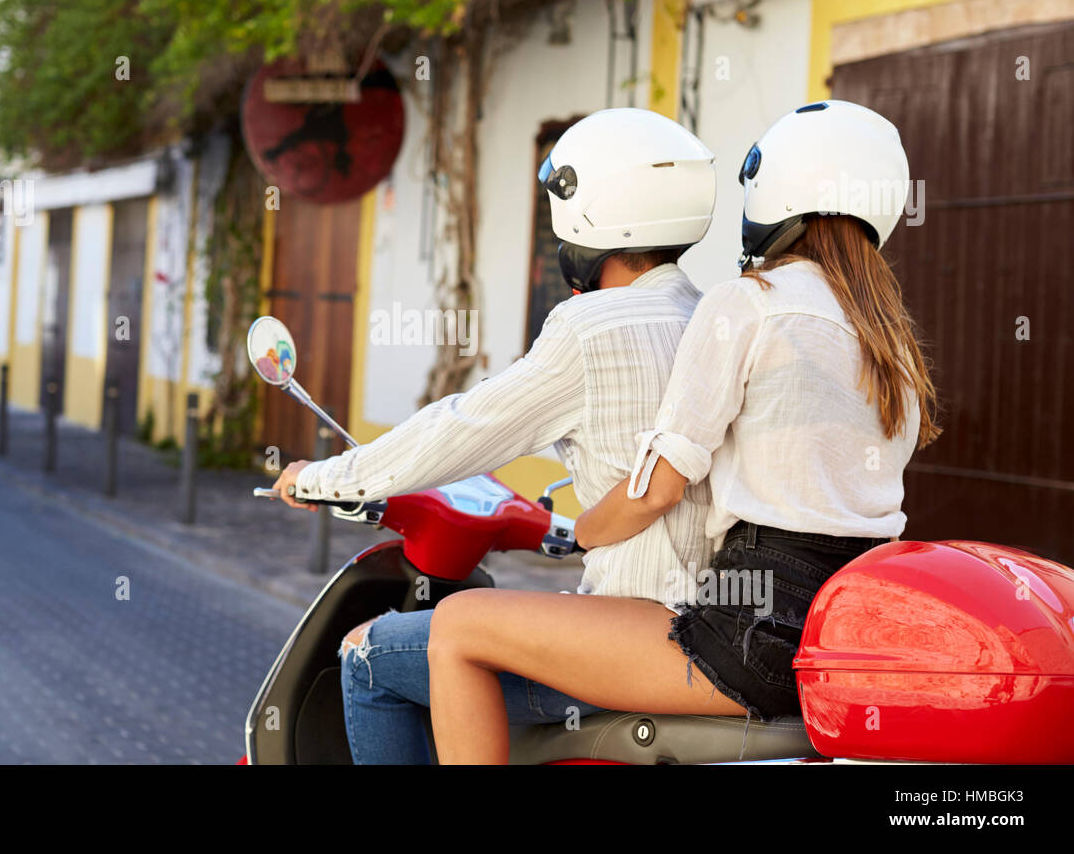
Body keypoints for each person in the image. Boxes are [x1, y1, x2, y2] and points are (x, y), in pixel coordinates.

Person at [426, 99, 941, 763]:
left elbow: (656, 490)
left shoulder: (749, 303)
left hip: (747, 639)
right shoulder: (891, 342)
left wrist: (578, 531)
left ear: (774, 189)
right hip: (839, 637)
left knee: (458, 625)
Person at [273, 108, 720, 763]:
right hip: (716, 628)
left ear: (589, 217)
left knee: (370, 655)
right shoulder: (710, 316)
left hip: (632, 628)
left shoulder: (590, 327)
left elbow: (463, 429)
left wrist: (326, 476)